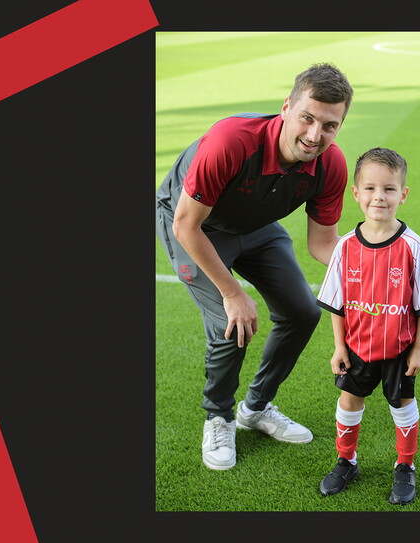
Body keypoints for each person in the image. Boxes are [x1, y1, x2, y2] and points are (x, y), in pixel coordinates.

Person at [156, 63, 354, 470]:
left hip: (256, 225)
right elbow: (185, 224)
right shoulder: (231, 141)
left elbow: (323, 244)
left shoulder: (331, 164)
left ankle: (256, 408)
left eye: (330, 126)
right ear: (286, 107)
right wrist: (233, 292)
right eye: (307, 118)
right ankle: (219, 417)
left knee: (302, 311)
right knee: (234, 324)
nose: (315, 135)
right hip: (194, 224)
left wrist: (368, 268)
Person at [314, 147, 420, 505]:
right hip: (356, 348)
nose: (378, 197)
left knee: (402, 405)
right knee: (349, 401)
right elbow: (336, 304)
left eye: (388, 188)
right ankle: (346, 461)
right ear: (356, 194)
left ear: (403, 194)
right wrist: (339, 347)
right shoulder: (344, 247)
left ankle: (405, 467)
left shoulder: (412, 246)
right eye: (370, 188)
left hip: (398, 350)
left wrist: (419, 348)